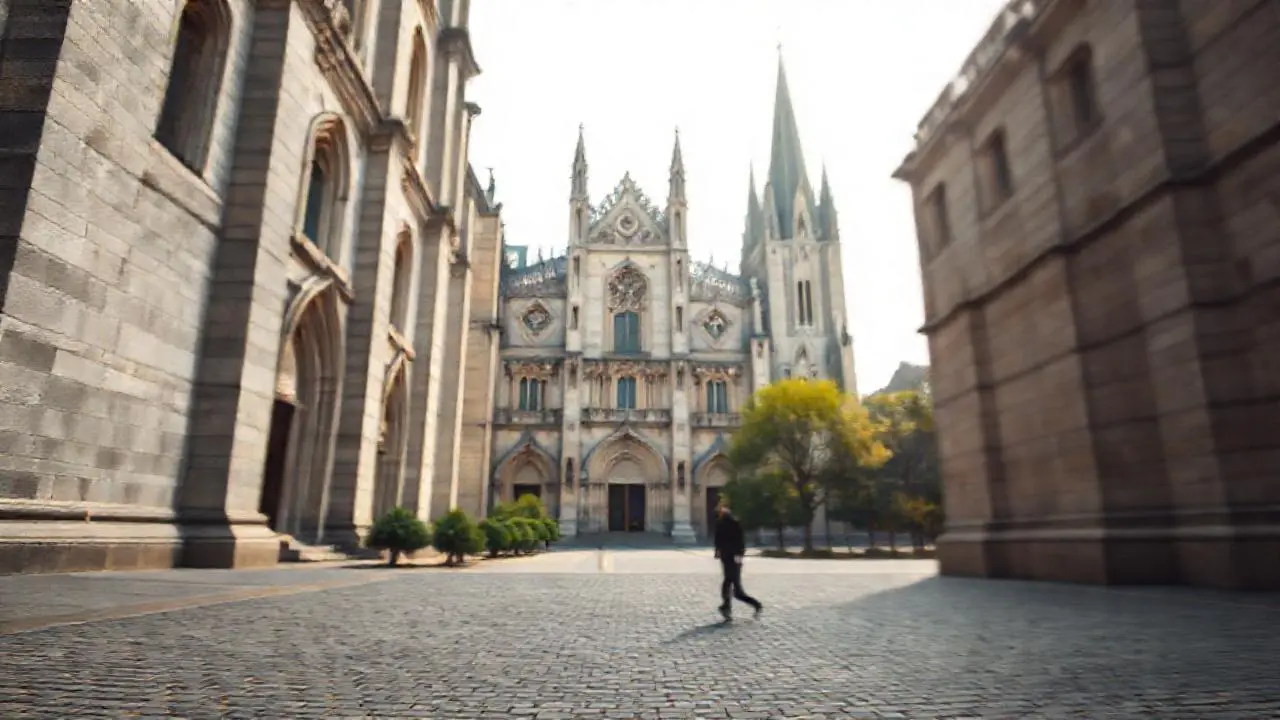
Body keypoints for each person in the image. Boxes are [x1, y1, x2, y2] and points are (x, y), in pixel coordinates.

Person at [713, 504, 762, 620]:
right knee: (731, 583)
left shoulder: (722, 524)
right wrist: (740, 555)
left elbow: (718, 541)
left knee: (732, 586)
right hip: (733, 557)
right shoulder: (735, 524)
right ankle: (726, 607)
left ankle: (754, 605)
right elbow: (740, 542)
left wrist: (717, 552)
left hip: (727, 557)